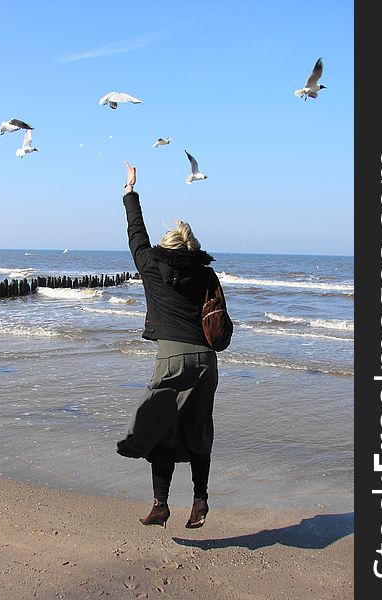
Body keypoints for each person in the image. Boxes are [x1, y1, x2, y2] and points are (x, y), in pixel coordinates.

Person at [117, 160, 229, 529]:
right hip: (207, 361)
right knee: (199, 429)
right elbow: (219, 315)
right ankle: (200, 501)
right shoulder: (206, 271)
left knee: (162, 429)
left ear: (166, 245)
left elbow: (136, 233)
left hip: (172, 359)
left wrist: (130, 190)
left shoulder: (150, 265)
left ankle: (160, 505)